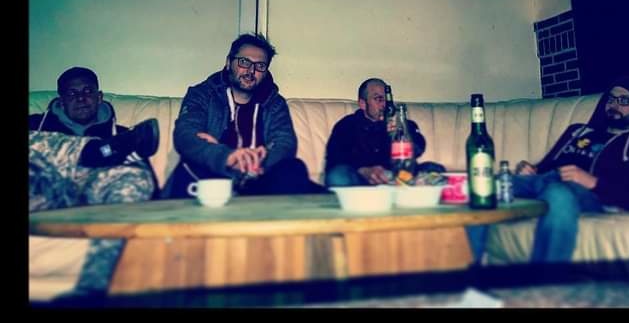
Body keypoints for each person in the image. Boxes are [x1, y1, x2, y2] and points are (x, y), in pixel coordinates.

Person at [507, 75, 629, 263]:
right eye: (611, 98)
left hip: (590, 195)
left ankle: (547, 278)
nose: (614, 104)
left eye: (624, 100)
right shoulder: (577, 131)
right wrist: (531, 170)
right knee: (486, 186)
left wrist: (593, 182)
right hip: (545, 181)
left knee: (558, 192)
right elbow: (546, 166)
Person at [29, 67, 160, 296]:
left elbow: (148, 188)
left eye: (87, 91)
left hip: (98, 198)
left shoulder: (125, 137)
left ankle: (93, 288)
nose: (81, 98)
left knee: (134, 176)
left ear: (99, 97)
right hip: (46, 192)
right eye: (72, 93)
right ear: (61, 100)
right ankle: (95, 151)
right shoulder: (35, 125)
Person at [163, 32, 325, 198]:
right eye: (244, 62)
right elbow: (186, 135)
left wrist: (260, 160)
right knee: (193, 163)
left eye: (260, 65)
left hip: (257, 179)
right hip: (213, 174)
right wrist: (227, 157)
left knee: (293, 168)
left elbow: (285, 143)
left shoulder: (275, 103)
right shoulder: (202, 94)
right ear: (228, 63)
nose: (251, 70)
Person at [324, 78, 445, 186]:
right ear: (362, 104)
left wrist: (399, 133)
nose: (384, 104)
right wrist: (364, 170)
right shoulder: (347, 125)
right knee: (337, 177)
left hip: (398, 177)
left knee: (435, 170)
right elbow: (335, 158)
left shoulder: (401, 122)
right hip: (362, 179)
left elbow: (418, 148)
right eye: (378, 99)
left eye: (387, 98)